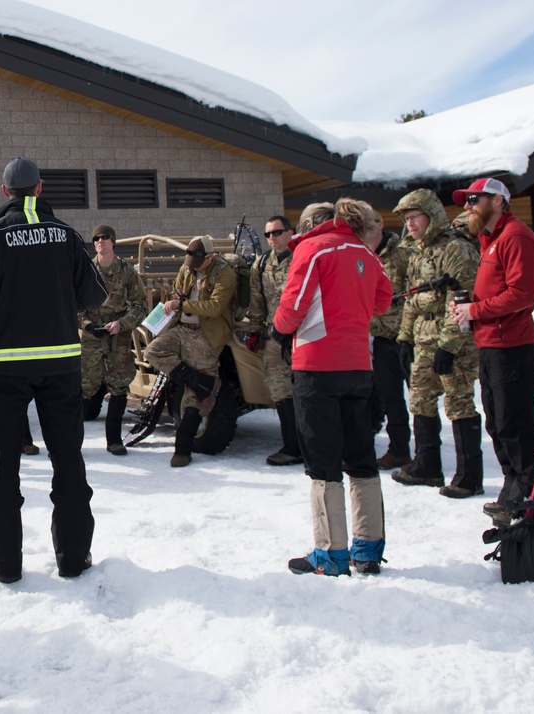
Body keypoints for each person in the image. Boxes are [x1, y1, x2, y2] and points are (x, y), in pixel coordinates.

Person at [0, 157, 107, 584]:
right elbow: (94, 295)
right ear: (39, 189)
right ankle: (74, 558)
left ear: (5, 193)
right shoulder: (67, 235)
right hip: (61, 365)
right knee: (67, 459)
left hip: (5, 369)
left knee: (1, 463)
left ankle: (3, 563)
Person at [273, 198, 393, 576]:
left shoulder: (313, 248)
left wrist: (279, 330)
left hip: (318, 364)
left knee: (323, 461)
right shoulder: (364, 251)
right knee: (361, 455)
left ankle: (330, 552)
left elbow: (294, 304)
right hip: (358, 364)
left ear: (309, 226)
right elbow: (384, 300)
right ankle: (369, 547)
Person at [449, 178, 534, 522]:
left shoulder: (516, 237)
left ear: (497, 200)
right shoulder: (490, 240)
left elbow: (521, 294)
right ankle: (516, 488)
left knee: (515, 424)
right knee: (499, 422)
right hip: (491, 345)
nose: (467, 207)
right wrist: (468, 306)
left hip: (513, 347)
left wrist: (474, 310)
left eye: (473, 199)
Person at [391, 189, 483, 499]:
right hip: (422, 335)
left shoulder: (456, 249)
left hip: (452, 337)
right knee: (419, 399)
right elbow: (413, 297)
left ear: (432, 215)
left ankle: (469, 476)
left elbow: (462, 301)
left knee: (458, 402)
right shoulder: (416, 251)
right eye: (406, 220)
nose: (410, 224)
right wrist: (404, 338)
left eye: (415, 217)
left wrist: (449, 345)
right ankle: (427, 466)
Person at [143, 235, 235, 468]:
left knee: (193, 397)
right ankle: (202, 380)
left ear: (210, 257)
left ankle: (182, 451)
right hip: (181, 329)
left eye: (198, 263)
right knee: (153, 351)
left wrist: (182, 304)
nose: (192, 267)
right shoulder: (188, 268)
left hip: (206, 334)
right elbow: (177, 288)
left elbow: (215, 307)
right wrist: (176, 299)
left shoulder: (225, 273)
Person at [79, 224, 148, 456]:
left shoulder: (127, 272)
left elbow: (141, 306)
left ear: (113, 242)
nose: (100, 241)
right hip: (92, 337)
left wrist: (123, 324)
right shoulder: (86, 271)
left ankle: (114, 440)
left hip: (118, 336)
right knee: (82, 388)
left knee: (119, 387)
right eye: (96, 238)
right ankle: (69, 442)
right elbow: (73, 305)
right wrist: (87, 325)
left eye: (105, 237)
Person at [244, 216, 303, 466]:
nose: (272, 238)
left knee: (310, 390)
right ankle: (292, 447)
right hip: (275, 336)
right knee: (280, 391)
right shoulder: (262, 263)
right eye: (268, 234)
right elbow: (257, 302)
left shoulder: (303, 258)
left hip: (304, 335)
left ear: (290, 233)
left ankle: (316, 443)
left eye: (277, 232)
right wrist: (255, 331)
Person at [365, 212, 412, 470]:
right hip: (382, 340)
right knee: (391, 398)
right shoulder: (362, 257)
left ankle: (429, 457)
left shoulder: (403, 254)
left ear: (381, 225)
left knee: (420, 400)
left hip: (408, 338)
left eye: (368, 226)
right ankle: (399, 451)